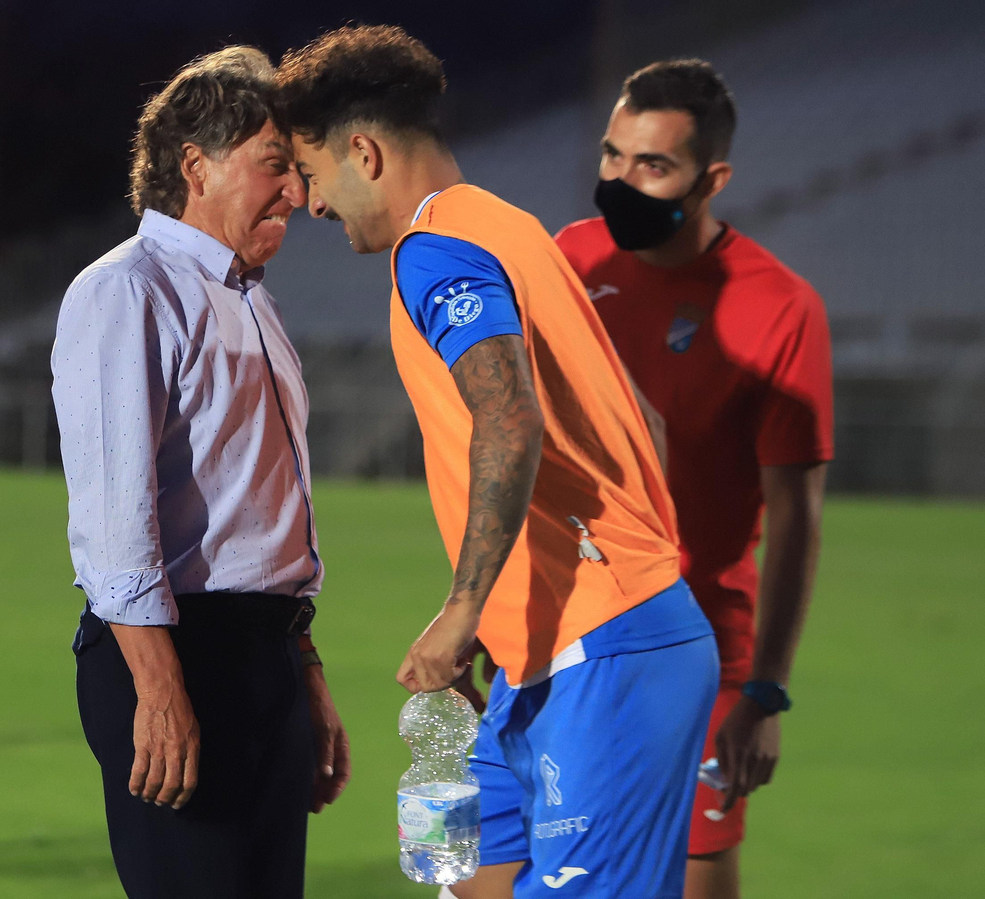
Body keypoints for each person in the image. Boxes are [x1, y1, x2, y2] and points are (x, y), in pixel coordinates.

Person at [276, 26, 719, 899]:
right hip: (543, 654)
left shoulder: (433, 252)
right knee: (456, 878)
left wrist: (463, 603)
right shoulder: (511, 230)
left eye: (313, 172)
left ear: (362, 152)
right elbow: (647, 424)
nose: (309, 202)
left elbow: (508, 418)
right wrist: (510, 604)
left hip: (609, 653)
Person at [50, 46, 349, 899]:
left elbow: (262, 516)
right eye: (273, 167)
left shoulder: (250, 297)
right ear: (196, 165)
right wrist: (160, 685)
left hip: (265, 656)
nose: (296, 192)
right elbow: (114, 517)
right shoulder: (127, 290)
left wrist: (305, 671)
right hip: (180, 655)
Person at [554, 59, 835, 899]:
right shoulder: (568, 259)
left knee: (695, 880)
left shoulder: (781, 308)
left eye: (652, 166)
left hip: (704, 654)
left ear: (712, 178)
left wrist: (767, 689)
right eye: (612, 156)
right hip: (567, 638)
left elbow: (796, 515)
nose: (620, 181)